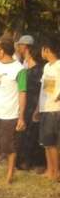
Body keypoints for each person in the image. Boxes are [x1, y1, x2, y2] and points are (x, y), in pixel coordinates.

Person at [0, 38, 27, 184]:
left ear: (2, 51)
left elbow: (23, 93)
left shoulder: (19, 69)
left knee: (9, 147)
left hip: (10, 114)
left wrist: (21, 117)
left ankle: (10, 175)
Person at [17, 44, 46, 171]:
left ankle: (33, 162)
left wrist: (37, 109)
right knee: (25, 134)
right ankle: (25, 160)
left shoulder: (38, 70)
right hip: (27, 104)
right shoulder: (26, 70)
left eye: (27, 53)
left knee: (33, 135)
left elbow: (42, 91)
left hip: (34, 105)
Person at [37, 35, 60, 181]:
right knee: (46, 142)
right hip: (45, 108)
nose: (41, 52)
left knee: (53, 143)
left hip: (55, 109)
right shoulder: (47, 66)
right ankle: (49, 169)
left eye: (42, 49)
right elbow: (44, 88)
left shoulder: (59, 65)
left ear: (47, 49)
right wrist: (38, 108)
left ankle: (56, 172)